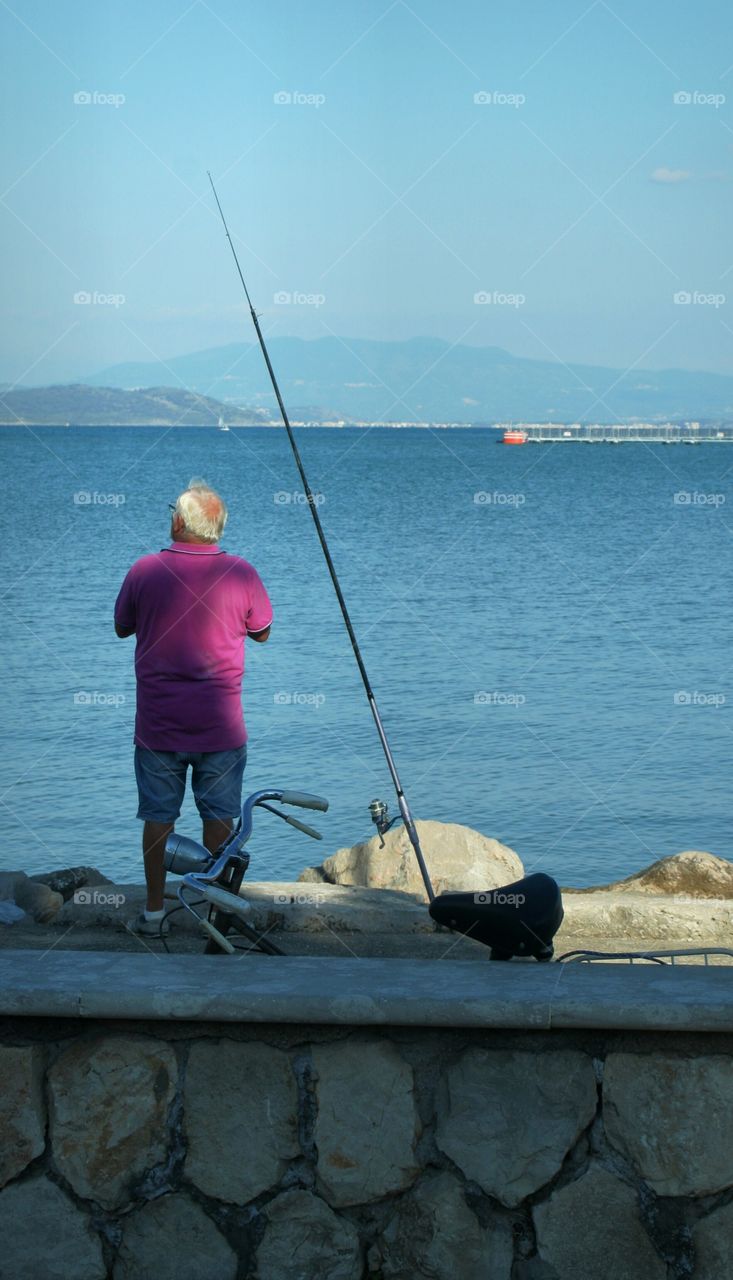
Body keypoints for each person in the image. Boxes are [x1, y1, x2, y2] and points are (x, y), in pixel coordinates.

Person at [114, 479, 272, 935]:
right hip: (220, 727)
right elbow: (262, 631)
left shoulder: (145, 569)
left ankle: (154, 913)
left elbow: (123, 626)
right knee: (220, 821)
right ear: (216, 528)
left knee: (158, 819)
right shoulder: (242, 572)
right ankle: (214, 915)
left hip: (159, 725)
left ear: (180, 521)